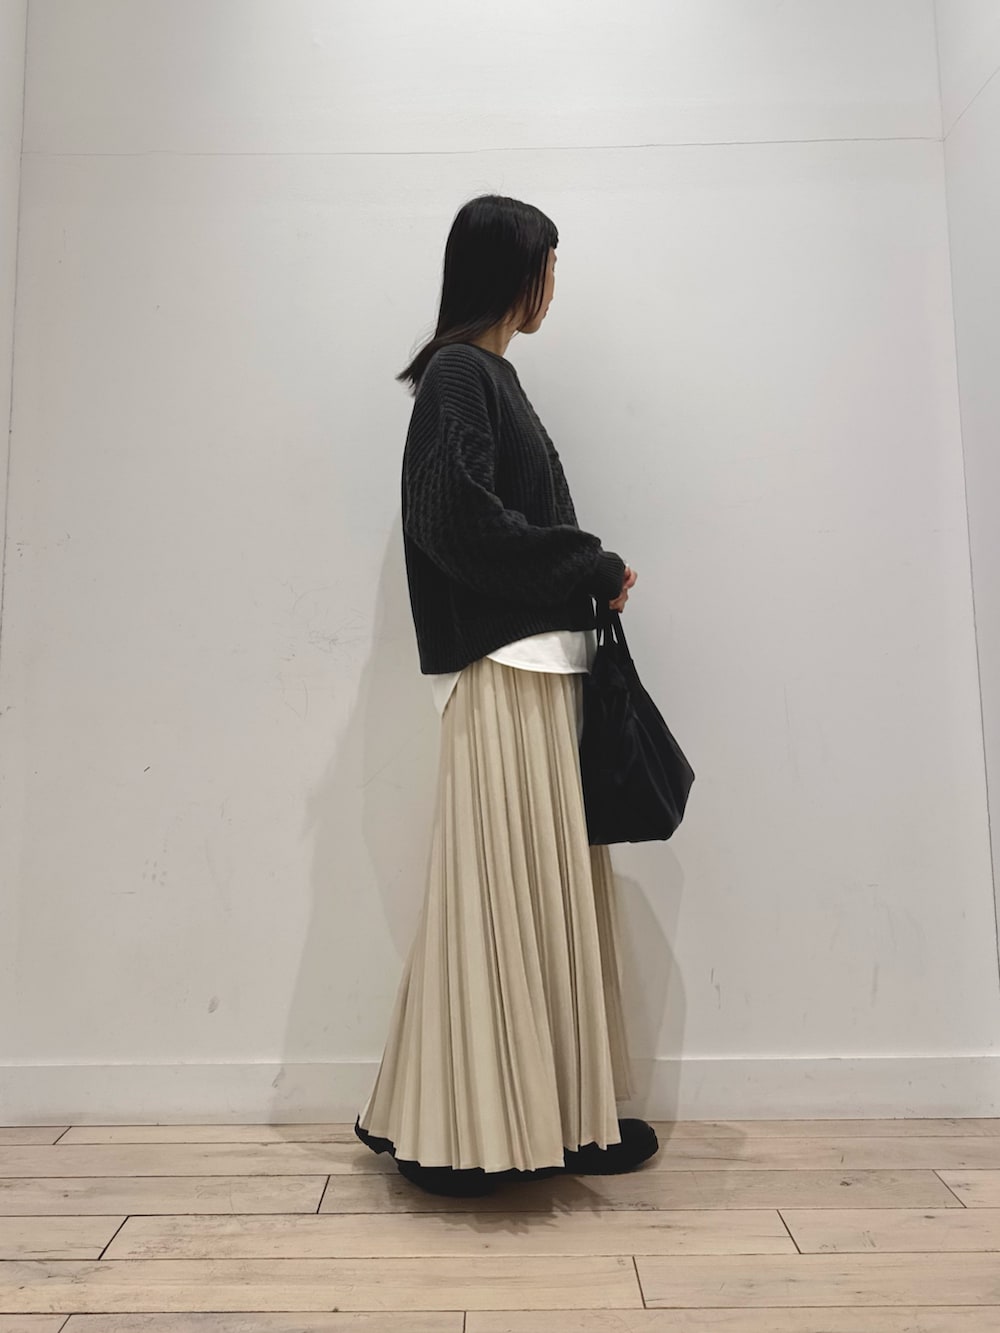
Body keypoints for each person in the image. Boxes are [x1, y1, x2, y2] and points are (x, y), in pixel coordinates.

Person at [354, 193, 658, 1197]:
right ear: (510, 272)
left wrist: (585, 580)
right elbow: (454, 518)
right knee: (505, 902)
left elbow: (478, 521)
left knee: (533, 901)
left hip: (534, 669)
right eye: (547, 265)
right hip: (506, 673)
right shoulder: (460, 374)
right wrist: (585, 561)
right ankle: (468, 1135)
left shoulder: (489, 376)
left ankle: (546, 1117)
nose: (554, 285)